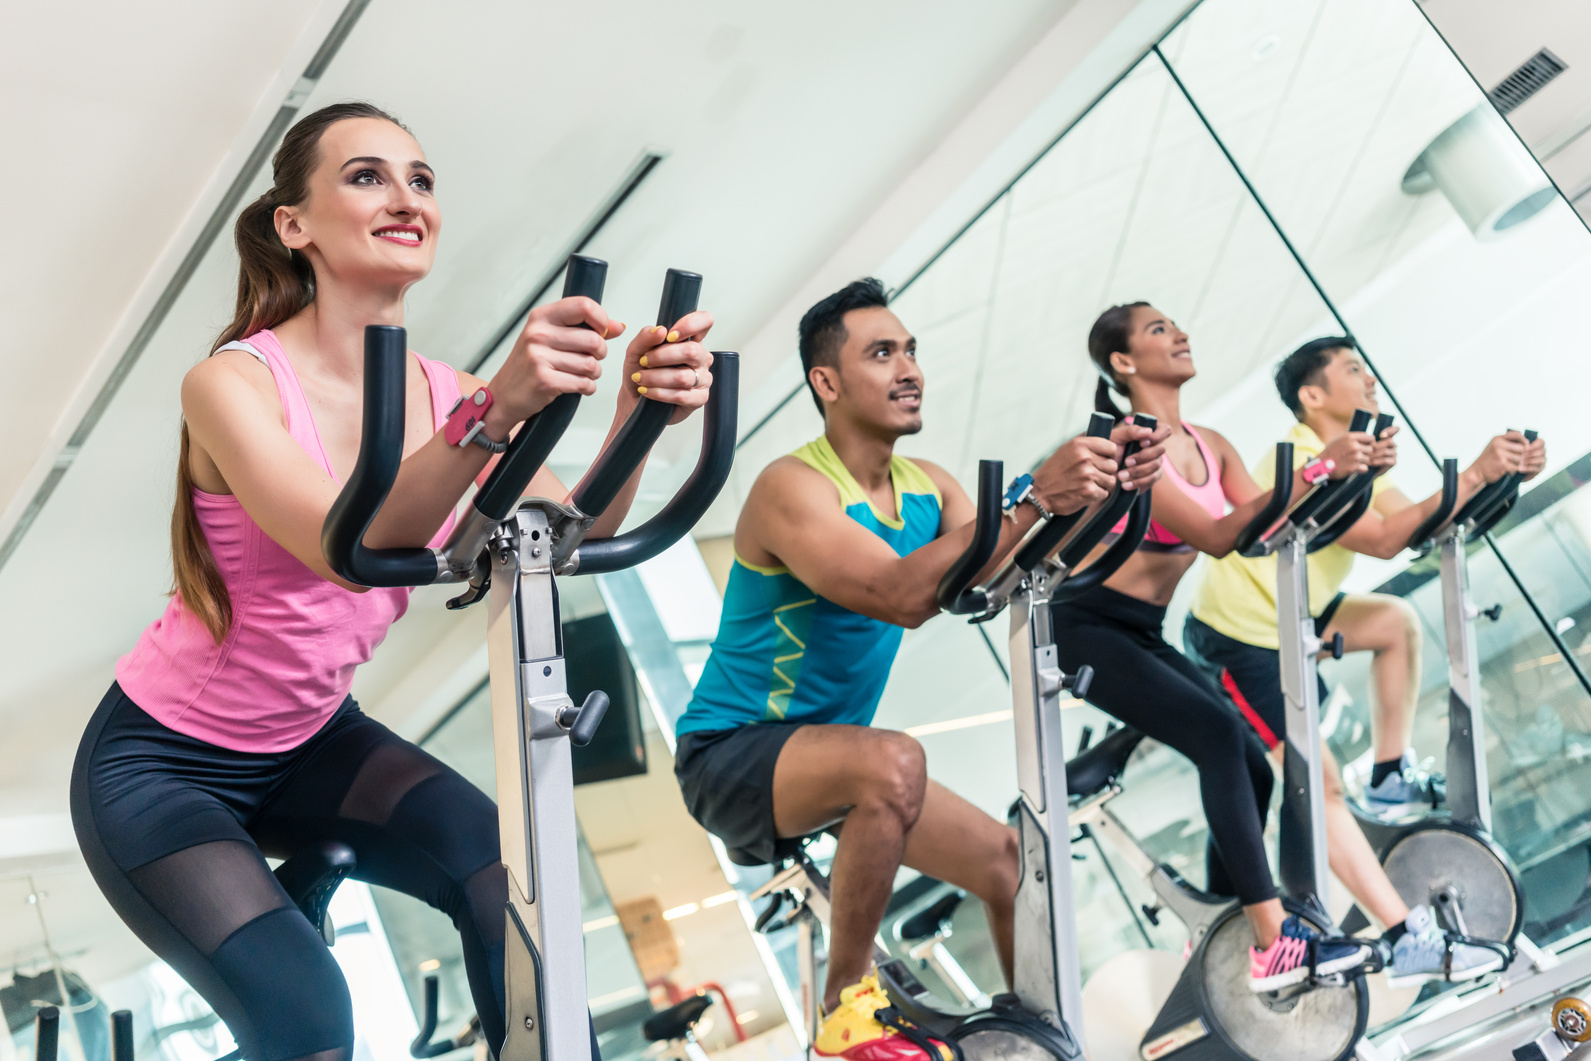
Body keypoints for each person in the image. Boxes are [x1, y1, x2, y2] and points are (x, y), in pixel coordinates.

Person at [70, 102, 718, 1061]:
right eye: (367, 176)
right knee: (310, 1022)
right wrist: (495, 411)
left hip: (311, 738)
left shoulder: (444, 395)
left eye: (419, 179)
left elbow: (566, 533)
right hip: (160, 768)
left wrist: (639, 417)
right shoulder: (234, 384)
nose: (406, 197)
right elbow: (349, 542)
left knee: (509, 883)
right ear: (294, 224)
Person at [673, 279, 1167, 1061]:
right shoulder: (789, 488)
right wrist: (1037, 494)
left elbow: (1017, 568)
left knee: (1009, 863)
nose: (908, 368)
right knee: (892, 761)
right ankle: (844, 1012)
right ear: (825, 383)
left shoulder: (931, 486)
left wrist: (1108, 494)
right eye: (881, 353)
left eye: (909, 350)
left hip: (836, 755)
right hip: (730, 756)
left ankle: (1038, 1039)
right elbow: (897, 593)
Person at [1052, 303, 1500, 995]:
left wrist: (1338, 476)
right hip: (1083, 626)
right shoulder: (1127, 444)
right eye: (1156, 331)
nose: (1178, 333)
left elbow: (1265, 524)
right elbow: (1216, 534)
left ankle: (1231, 925)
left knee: (1254, 770)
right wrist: (1317, 469)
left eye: (1175, 324)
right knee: (1213, 735)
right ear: (1122, 362)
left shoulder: (1211, 443)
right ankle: (1273, 944)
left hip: (1143, 627)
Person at [1179, 336, 1542, 982]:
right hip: (1241, 636)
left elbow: (1415, 522)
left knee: (1394, 622)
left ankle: (1389, 771)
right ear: (1311, 396)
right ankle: (1403, 934)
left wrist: (1499, 475)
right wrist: (1478, 473)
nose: (1369, 378)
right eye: (1352, 370)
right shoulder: (1298, 459)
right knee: (1317, 786)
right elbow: (1379, 541)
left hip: (1296, 609)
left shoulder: (1360, 463)